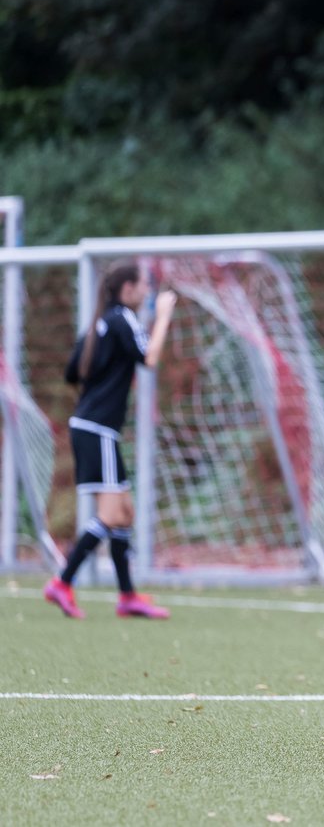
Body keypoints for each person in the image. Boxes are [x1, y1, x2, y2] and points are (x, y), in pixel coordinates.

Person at [43, 264, 177, 620]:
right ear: (129, 288)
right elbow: (149, 358)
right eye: (145, 285)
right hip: (97, 428)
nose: (148, 291)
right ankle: (62, 581)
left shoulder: (98, 323)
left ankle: (128, 596)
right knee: (110, 514)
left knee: (125, 513)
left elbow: (73, 372)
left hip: (95, 426)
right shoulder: (122, 318)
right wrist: (162, 316)